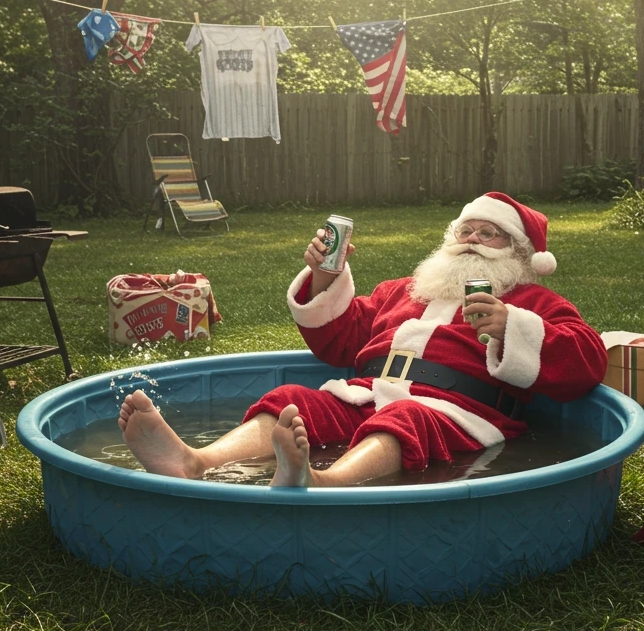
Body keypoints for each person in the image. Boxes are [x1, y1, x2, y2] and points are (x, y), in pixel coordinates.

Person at [118, 192, 608, 487]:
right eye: (466, 228)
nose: (472, 239)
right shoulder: (406, 290)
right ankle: (194, 460)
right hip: (365, 395)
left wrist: (514, 327)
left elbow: (586, 361)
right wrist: (324, 278)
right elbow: (342, 341)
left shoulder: (534, 302)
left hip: (454, 411)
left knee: (407, 417)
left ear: (519, 253)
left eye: (490, 234)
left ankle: (323, 481)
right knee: (292, 401)